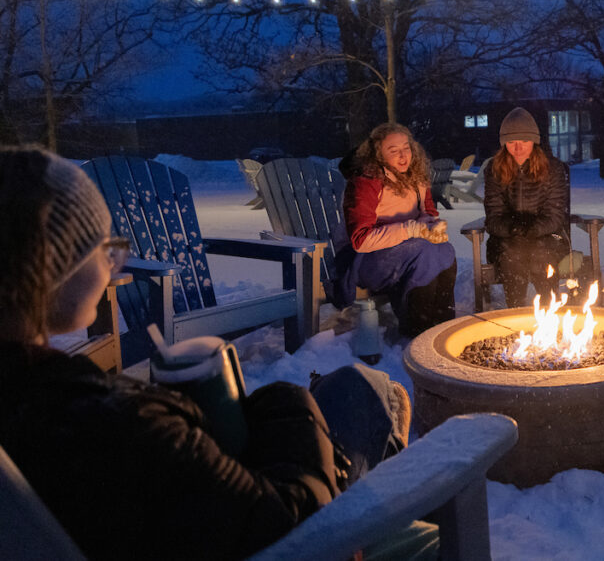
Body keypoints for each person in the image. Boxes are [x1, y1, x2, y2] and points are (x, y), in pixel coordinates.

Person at [0, 145, 435, 560]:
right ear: (51, 271)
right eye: (103, 247)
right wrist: (290, 403)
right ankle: (399, 506)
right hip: (308, 537)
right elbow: (288, 521)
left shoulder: (39, 410)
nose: (113, 261)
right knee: (361, 389)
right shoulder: (111, 426)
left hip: (208, 516)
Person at [334, 123, 456, 338]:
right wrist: (411, 229)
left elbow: (427, 210)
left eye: (406, 148)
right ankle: (417, 327)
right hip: (362, 259)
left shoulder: (416, 176)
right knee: (424, 254)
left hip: (405, 251)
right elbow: (361, 240)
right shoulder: (366, 182)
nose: (403, 156)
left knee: (445, 250)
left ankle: (443, 324)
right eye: (393, 151)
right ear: (378, 154)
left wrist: (429, 224)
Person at [484, 107, 570, 307]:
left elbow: (556, 215)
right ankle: (515, 311)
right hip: (506, 239)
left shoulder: (553, 168)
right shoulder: (495, 170)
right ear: (504, 143)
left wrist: (534, 228)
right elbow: (494, 216)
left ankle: (549, 312)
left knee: (541, 252)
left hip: (549, 237)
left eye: (524, 141)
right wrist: (513, 228)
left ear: (534, 141)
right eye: (512, 142)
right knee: (513, 254)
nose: (518, 147)